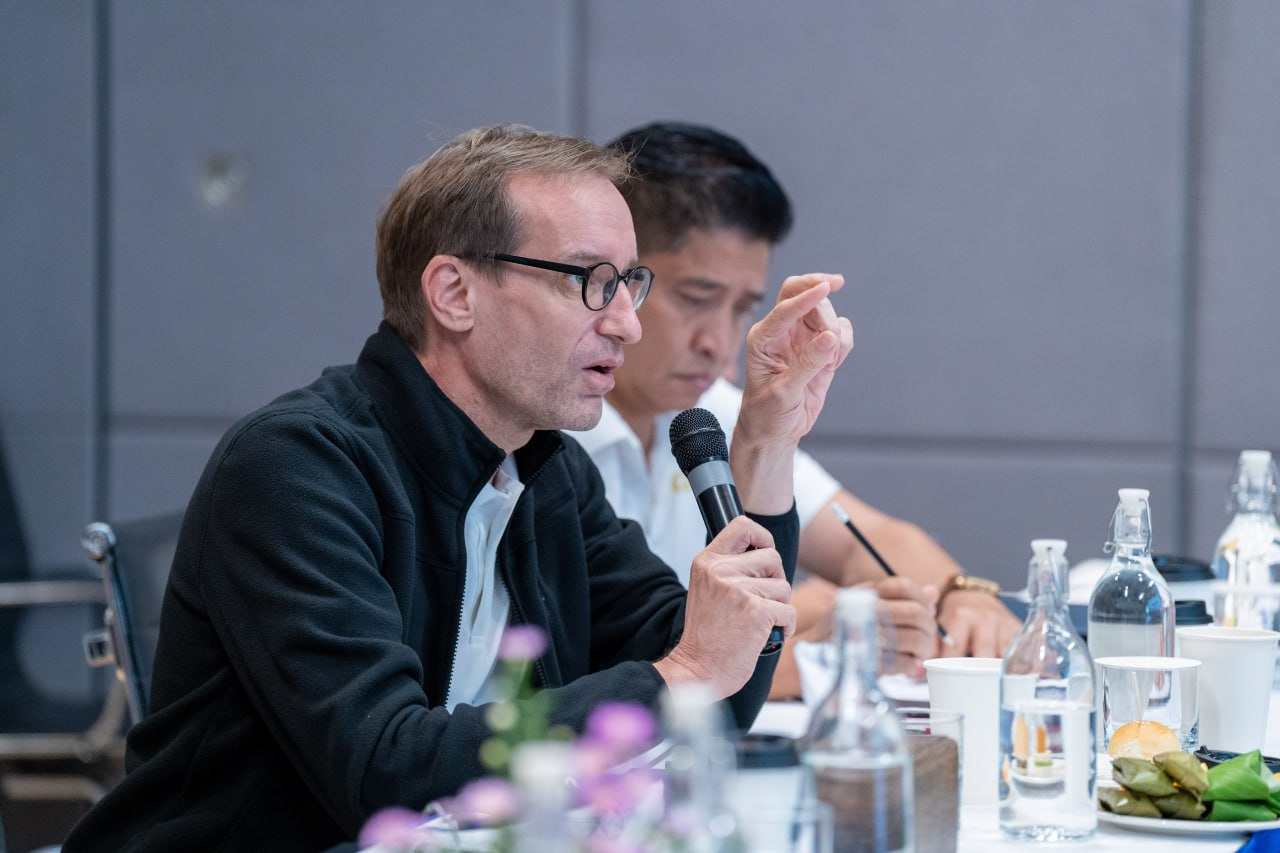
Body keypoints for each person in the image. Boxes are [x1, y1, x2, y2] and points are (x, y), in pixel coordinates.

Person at [62, 125, 852, 851]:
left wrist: (766, 444)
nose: (626, 323)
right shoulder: (295, 467)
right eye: (591, 280)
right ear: (453, 293)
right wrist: (682, 671)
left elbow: (720, 697)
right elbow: (386, 768)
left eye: (629, 283)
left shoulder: (544, 469)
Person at [567, 122, 1020, 700]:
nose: (718, 341)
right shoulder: (546, 432)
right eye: (695, 299)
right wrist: (820, 650)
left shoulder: (708, 414)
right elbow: (586, 678)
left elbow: (864, 539)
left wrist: (964, 595)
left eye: (741, 309)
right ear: (618, 276)